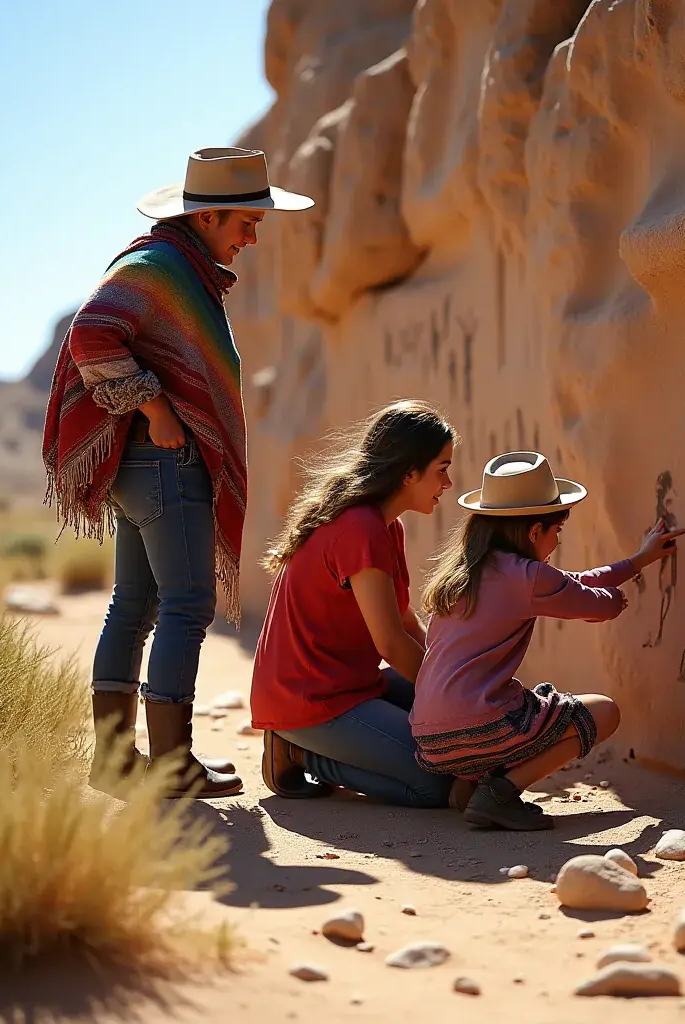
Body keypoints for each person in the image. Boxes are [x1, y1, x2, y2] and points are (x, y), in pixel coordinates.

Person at [42, 148, 314, 799]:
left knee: (135, 605)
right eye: (246, 222)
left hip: (142, 468)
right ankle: (170, 765)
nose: (253, 237)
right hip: (163, 464)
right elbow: (92, 335)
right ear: (210, 215)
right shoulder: (160, 267)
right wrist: (156, 407)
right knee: (187, 604)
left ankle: (117, 762)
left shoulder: (180, 268)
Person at [412, 451, 685, 830]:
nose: (556, 542)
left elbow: (571, 583)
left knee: (523, 709)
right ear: (534, 532)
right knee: (604, 712)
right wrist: (616, 599)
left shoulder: (464, 572)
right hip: (482, 726)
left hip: (431, 741)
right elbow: (595, 604)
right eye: (557, 531)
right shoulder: (527, 577)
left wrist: (636, 561)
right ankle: (500, 792)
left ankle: (469, 785)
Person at [250, 400, 464, 810]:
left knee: (463, 731)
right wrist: (450, 695)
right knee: (438, 784)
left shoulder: (385, 526)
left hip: (352, 685)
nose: (448, 483)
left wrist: (451, 682)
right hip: (310, 700)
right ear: (408, 472)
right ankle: (299, 753)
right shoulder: (360, 528)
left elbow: (403, 621)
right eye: (442, 468)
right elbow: (389, 644)